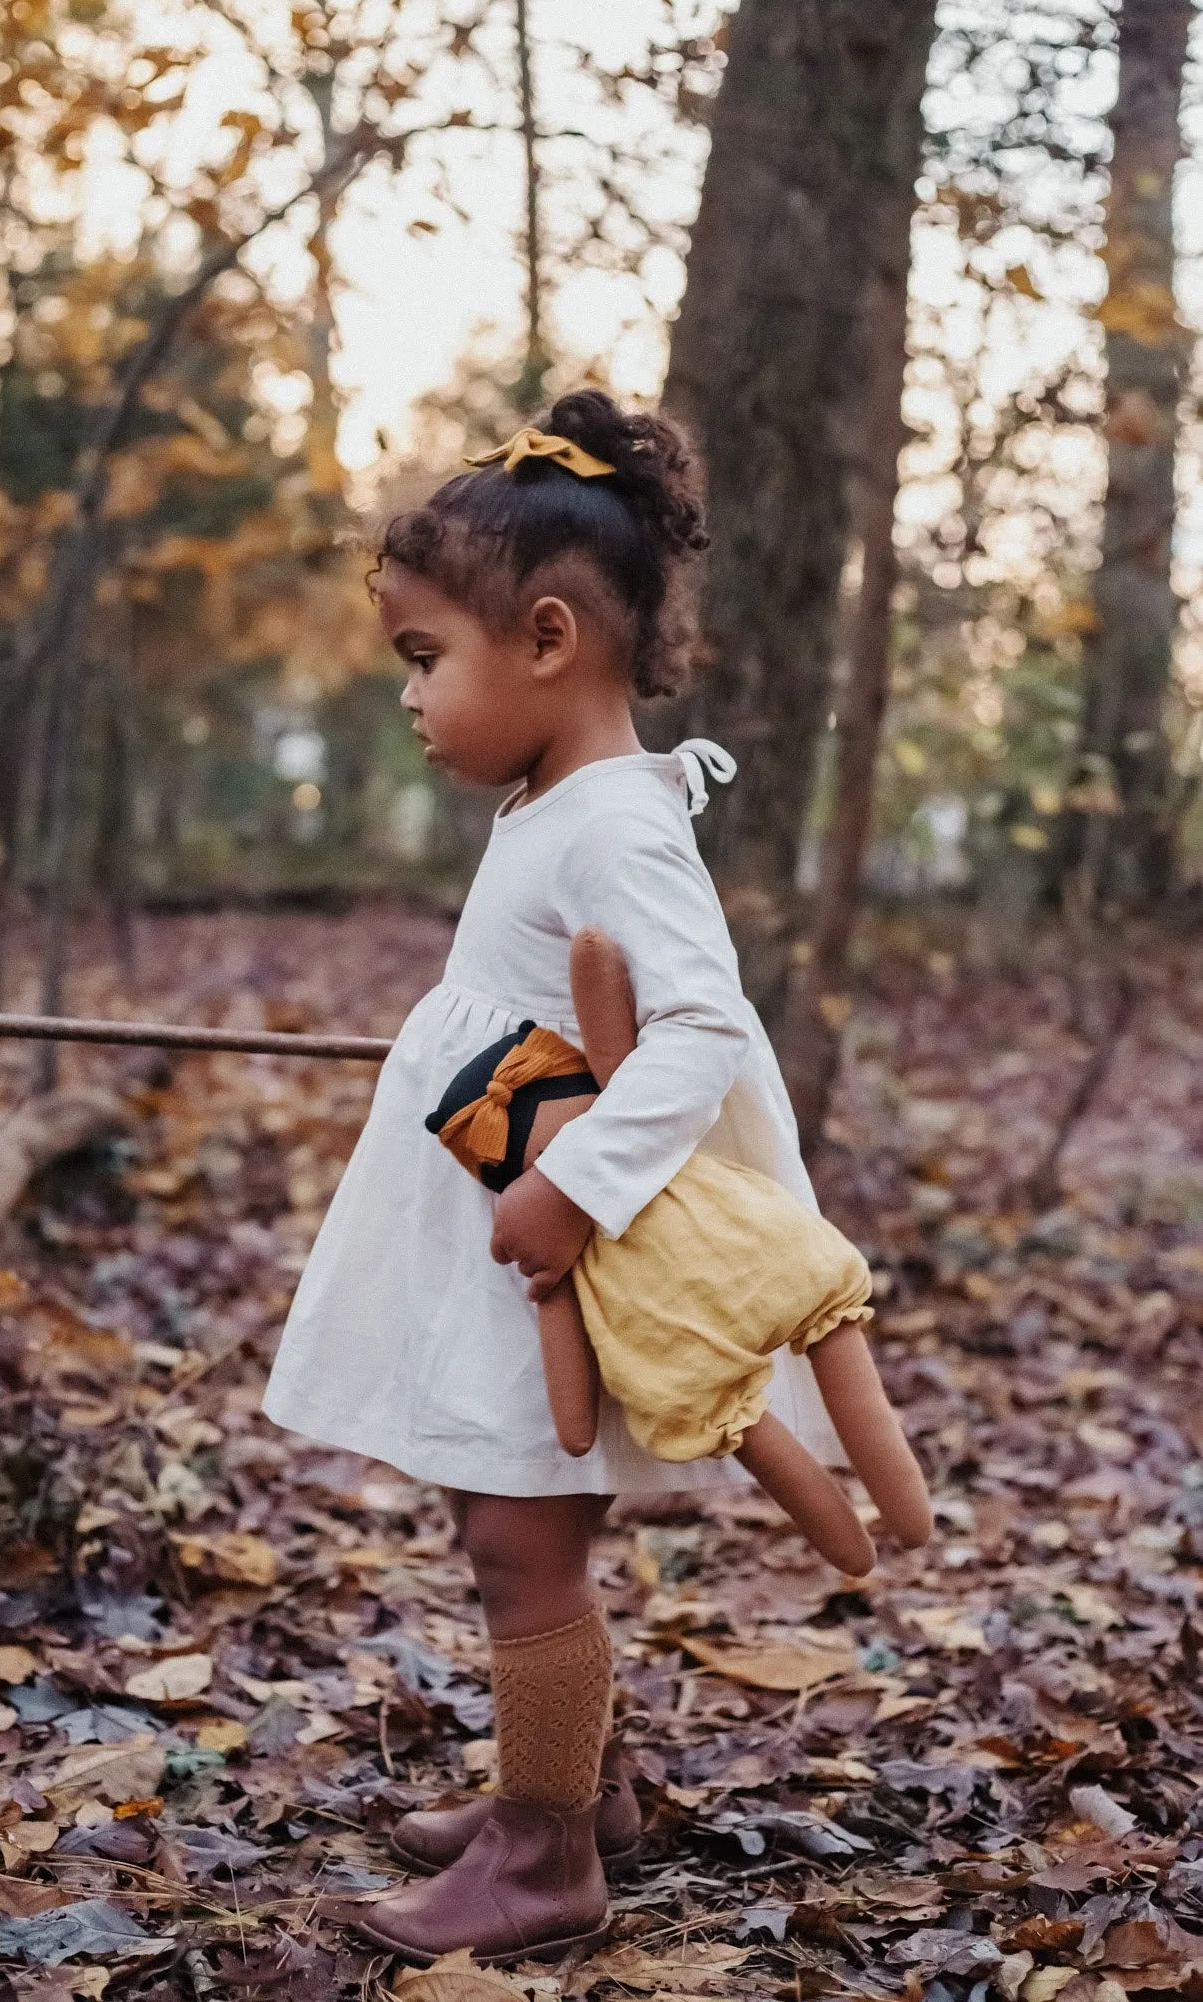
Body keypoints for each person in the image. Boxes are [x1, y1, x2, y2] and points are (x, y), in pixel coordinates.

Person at [263, 389, 852, 1966]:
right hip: (500, 1221)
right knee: (504, 1516)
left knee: (521, 1538)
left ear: (544, 640)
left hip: (553, 1240)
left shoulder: (615, 827)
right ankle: (585, 1787)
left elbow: (706, 1027)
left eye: (422, 658)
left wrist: (579, 1185)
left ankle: (543, 1858)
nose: (409, 697)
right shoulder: (555, 801)